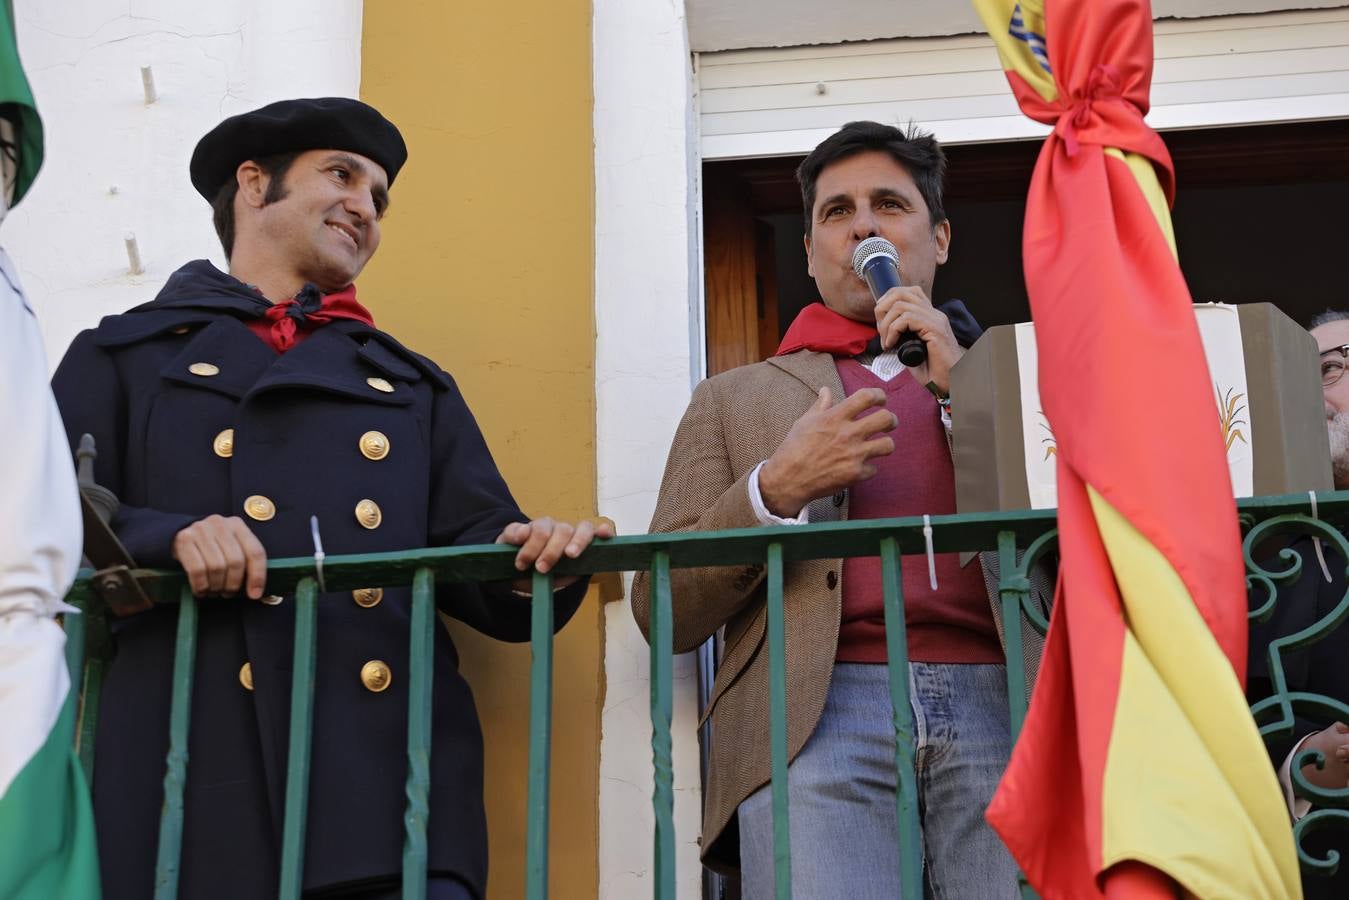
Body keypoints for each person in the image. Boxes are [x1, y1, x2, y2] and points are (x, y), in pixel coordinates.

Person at [49, 97, 611, 900]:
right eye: (341, 176)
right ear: (253, 184)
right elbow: (39, 516)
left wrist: (534, 560)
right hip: (188, 778)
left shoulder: (409, 383)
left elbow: (477, 543)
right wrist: (165, 536)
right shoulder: (122, 355)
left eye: (378, 197)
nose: (365, 207)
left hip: (385, 792)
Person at [632, 121, 1035, 898]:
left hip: (1007, 700)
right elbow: (663, 607)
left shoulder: (1020, 375)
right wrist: (772, 492)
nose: (863, 226)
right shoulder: (732, 397)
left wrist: (971, 395)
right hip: (811, 716)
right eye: (836, 211)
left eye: (889, 204)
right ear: (812, 251)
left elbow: (1093, 550)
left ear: (938, 237)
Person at [1247, 309, 1349, 900]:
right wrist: (1308, 757)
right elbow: (1249, 712)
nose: (1315, 398)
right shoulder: (1272, 553)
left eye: (1330, 370)